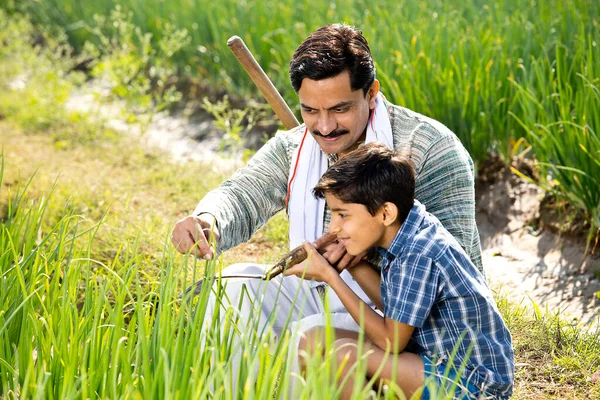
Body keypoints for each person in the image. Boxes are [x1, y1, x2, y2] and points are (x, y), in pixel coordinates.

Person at [170, 23, 483, 391]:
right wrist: (209, 219)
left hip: (403, 322)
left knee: (312, 333)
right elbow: (243, 191)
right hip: (321, 290)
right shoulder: (297, 146)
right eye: (310, 110)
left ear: (371, 94)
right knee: (234, 287)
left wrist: (361, 256)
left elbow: (458, 272)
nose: (324, 127)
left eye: (339, 109)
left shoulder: (430, 150)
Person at [284, 142, 514, 399]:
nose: (334, 228)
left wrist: (330, 276)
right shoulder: (403, 229)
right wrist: (350, 261)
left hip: (473, 384)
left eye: (343, 215)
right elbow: (396, 309)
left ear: (385, 213)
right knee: (313, 340)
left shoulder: (419, 251)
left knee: (345, 355)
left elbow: (390, 341)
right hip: (429, 360)